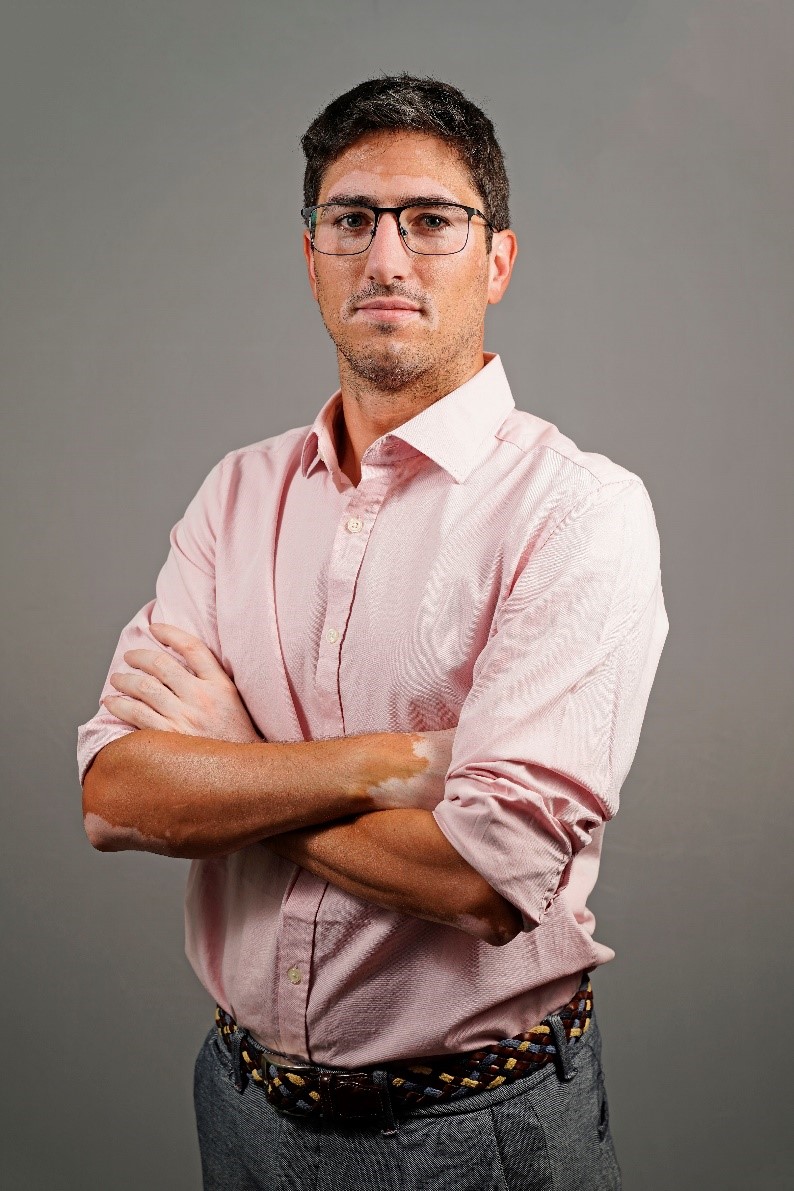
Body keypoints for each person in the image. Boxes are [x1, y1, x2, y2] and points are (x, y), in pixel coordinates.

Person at [78, 74, 668, 1190]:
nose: (386, 258)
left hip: (480, 1134)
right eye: (351, 219)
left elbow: (484, 880)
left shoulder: (577, 511)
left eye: (430, 220)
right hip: (242, 1107)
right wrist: (387, 765)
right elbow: (115, 795)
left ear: (496, 260)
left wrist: (234, 766)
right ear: (311, 256)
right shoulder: (236, 496)